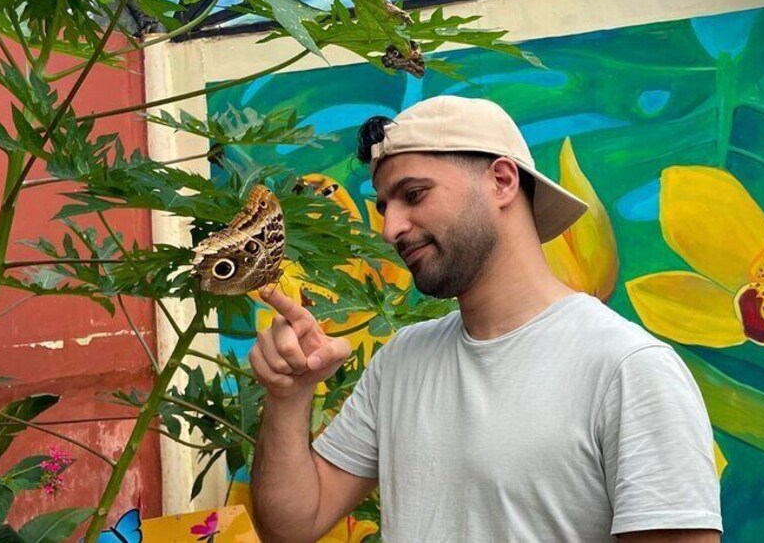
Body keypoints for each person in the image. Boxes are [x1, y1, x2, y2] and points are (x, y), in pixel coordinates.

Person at [249, 96, 722, 542]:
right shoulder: (402, 360)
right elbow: (292, 525)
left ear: (501, 181)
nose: (390, 228)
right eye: (384, 206)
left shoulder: (628, 368)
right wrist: (289, 396)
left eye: (413, 194)